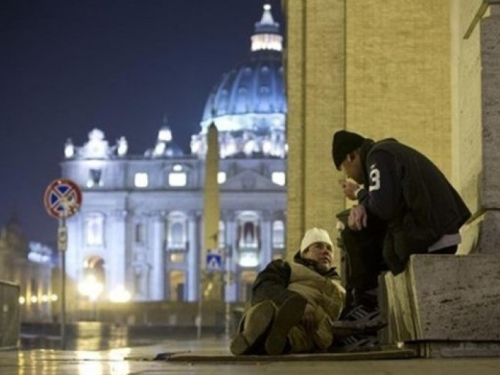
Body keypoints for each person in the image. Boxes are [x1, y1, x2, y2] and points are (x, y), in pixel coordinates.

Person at [331, 130, 471, 319]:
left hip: (431, 231)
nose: (348, 175)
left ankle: (367, 304)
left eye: (344, 168)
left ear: (351, 156)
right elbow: (387, 199)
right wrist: (363, 204)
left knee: (355, 231)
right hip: (433, 226)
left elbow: (383, 207)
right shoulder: (385, 154)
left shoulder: (377, 156)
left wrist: (360, 195)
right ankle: (360, 304)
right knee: (367, 233)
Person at [230, 228, 346, 355]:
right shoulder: (287, 268)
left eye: (329, 249)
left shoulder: (340, 287)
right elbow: (264, 288)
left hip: (313, 333)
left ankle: (265, 341)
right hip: (284, 313)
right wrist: (300, 305)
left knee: (298, 339)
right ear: (304, 253)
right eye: (319, 247)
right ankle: (259, 330)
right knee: (269, 315)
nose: (325, 252)